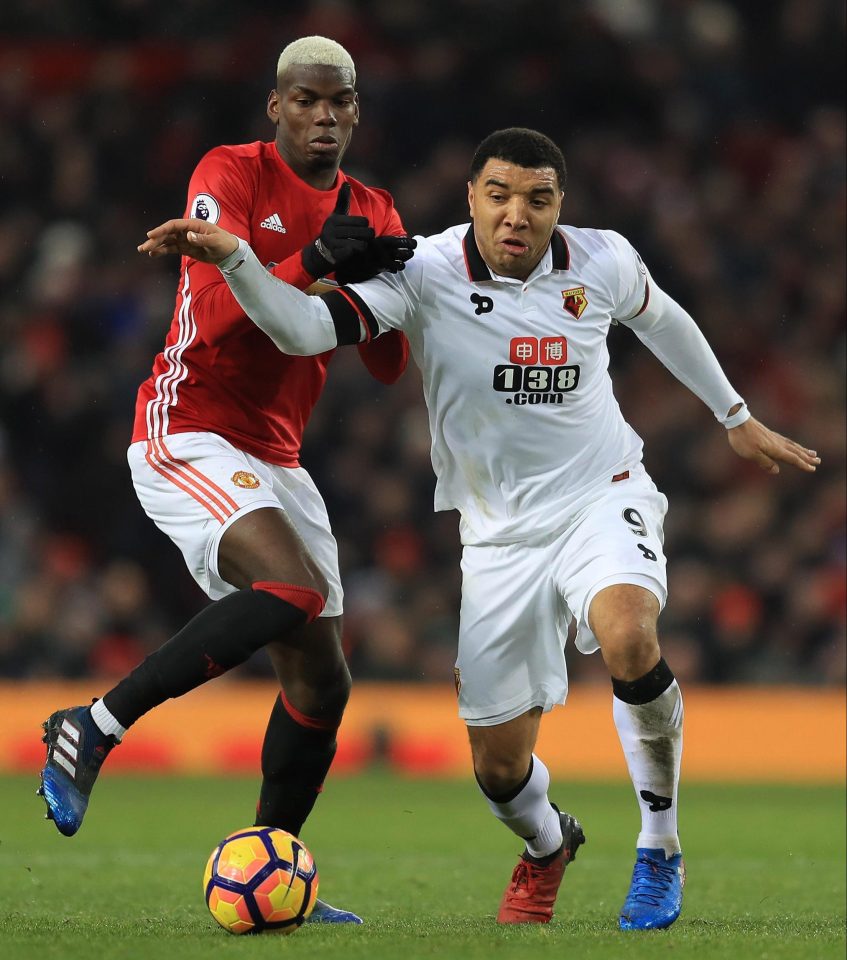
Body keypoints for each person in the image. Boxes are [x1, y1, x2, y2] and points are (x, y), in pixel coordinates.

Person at [137, 127, 821, 930]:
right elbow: (302, 331)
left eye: (537, 199)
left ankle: (658, 848)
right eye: (498, 195)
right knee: (498, 769)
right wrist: (238, 259)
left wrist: (733, 416)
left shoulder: (600, 259)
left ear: (558, 205)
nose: (516, 215)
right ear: (471, 200)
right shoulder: (422, 271)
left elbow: (663, 319)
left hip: (600, 494)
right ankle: (544, 844)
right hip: (495, 535)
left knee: (630, 635)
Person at [38, 36, 415, 925]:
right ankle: (93, 723)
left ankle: (272, 869)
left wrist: (388, 291)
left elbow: (393, 362)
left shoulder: (376, 207)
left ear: (356, 112)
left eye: (340, 103)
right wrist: (318, 260)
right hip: (189, 425)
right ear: (276, 108)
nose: (324, 117)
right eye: (307, 101)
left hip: (277, 453)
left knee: (323, 685)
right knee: (289, 586)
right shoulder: (230, 175)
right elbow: (211, 315)